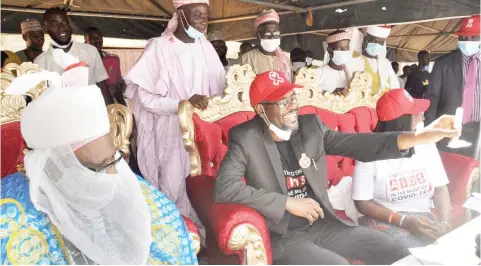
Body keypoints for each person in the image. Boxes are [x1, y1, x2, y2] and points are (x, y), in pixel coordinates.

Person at [214, 70, 460, 264]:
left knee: (392, 247)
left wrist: (419, 136)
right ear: (260, 110)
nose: (292, 106)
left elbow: (360, 143)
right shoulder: (246, 137)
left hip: (323, 225)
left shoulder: (310, 127)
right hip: (285, 234)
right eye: (281, 102)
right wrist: (287, 202)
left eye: (292, 98)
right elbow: (225, 188)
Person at [1, 56, 198, 265]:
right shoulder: (10, 219)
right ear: (53, 167)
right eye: (94, 169)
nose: (112, 177)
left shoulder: (136, 191)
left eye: (113, 159)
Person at [125, 0, 225, 242]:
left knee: (205, 185)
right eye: (197, 14)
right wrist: (182, 104)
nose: (204, 20)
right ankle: (178, 240)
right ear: (180, 14)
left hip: (206, 132)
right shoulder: (159, 48)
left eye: (206, 15)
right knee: (174, 185)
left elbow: (221, 92)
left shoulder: (207, 48)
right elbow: (145, 98)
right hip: (172, 130)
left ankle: (206, 239)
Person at [352, 88, 451, 250]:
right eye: (415, 113)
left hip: (422, 218)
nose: (421, 116)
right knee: (409, 253)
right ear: (401, 120)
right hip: (384, 219)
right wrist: (403, 220)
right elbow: (362, 202)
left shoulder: (426, 144)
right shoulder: (369, 153)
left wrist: (445, 223)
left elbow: (440, 189)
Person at [425, 15, 480, 159]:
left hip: (478, 130)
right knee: (447, 171)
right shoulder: (443, 64)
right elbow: (432, 97)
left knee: (474, 174)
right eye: (463, 38)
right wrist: (430, 130)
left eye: (474, 37)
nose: (467, 42)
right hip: (447, 129)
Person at [34, 8, 112, 105]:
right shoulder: (40, 63)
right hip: (58, 117)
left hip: (91, 115)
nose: (61, 27)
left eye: (64, 22)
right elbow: (40, 101)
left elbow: (102, 87)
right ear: (46, 28)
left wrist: (110, 114)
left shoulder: (90, 51)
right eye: (55, 24)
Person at [241, 9, 291, 81]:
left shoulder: (286, 59)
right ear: (258, 35)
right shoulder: (246, 59)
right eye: (267, 34)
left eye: (276, 34)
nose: (272, 37)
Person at [349, 25, 400, 94]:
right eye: (373, 40)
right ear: (366, 39)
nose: (377, 44)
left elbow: (395, 90)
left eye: (380, 42)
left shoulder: (386, 64)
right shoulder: (356, 59)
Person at [84, 26, 127, 106]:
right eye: (91, 38)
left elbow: (117, 89)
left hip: (111, 107)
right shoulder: (82, 64)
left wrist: (124, 110)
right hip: (91, 108)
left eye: (99, 37)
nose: (96, 41)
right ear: (86, 42)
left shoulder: (113, 60)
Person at [317, 30, 353, 96]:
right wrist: (330, 95)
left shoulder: (350, 73)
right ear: (330, 51)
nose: (344, 52)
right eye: (340, 48)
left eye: (346, 48)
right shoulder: (319, 73)